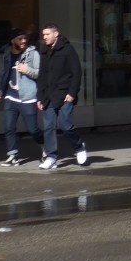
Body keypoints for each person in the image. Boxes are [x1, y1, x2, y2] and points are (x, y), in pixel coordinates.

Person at [37, 23, 87, 170]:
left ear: (56, 34)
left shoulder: (67, 50)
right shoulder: (45, 52)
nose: (44, 37)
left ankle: (79, 147)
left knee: (65, 125)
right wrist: (40, 97)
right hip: (48, 96)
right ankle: (51, 157)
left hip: (65, 95)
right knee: (48, 127)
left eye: (47, 34)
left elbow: (76, 72)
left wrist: (72, 93)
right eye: (43, 35)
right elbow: (41, 76)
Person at [0, 28, 43, 166]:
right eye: (20, 38)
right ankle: (12, 154)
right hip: (11, 96)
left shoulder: (33, 54)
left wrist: (28, 70)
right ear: (12, 41)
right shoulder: (6, 55)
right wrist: (0, 91)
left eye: (25, 38)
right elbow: (2, 75)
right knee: (9, 127)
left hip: (28, 97)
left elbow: (40, 74)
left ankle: (45, 147)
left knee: (33, 129)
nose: (24, 41)